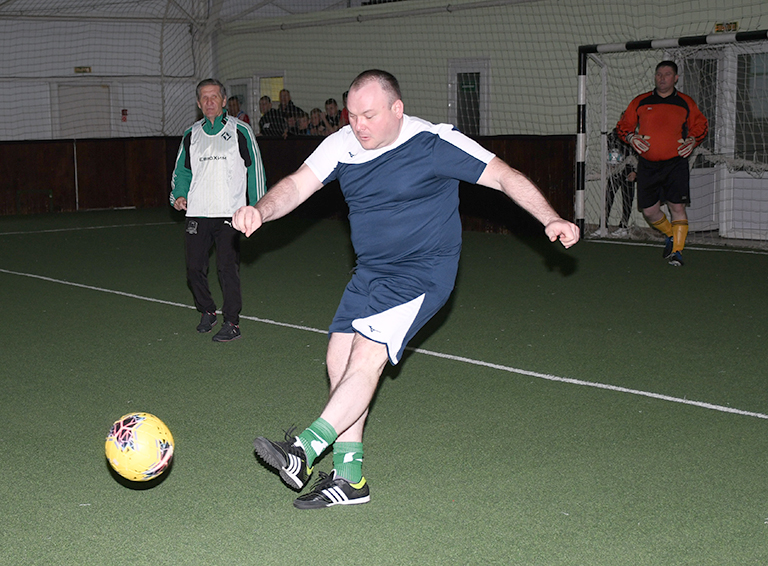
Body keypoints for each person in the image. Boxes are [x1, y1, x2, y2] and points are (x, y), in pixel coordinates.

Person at [232, 69, 579, 509]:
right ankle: (350, 479)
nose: (358, 125)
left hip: (421, 275)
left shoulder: (434, 143)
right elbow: (298, 185)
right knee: (338, 360)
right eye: (352, 115)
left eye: (369, 115)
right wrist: (260, 211)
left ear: (397, 110)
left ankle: (303, 449)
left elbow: (505, 176)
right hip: (370, 273)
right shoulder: (343, 144)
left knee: (365, 359)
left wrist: (549, 217)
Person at [170, 79, 267, 341]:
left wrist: (258, 208)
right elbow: (182, 171)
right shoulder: (191, 134)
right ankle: (208, 311)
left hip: (230, 214)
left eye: (215, 97)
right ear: (199, 104)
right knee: (193, 270)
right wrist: (179, 195)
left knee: (227, 269)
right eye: (205, 98)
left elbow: (254, 169)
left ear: (224, 101)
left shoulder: (241, 131)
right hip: (197, 213)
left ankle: (232, 322)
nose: (210, 102)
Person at [617, 60, 708, 266]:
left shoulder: (686, 102)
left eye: (667, 74)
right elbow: (623, 125)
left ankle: (677, 251)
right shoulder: (640, 101)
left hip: (676, 164)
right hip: (648, 165)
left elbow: (701, 125)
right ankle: (670, 235)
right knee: (649, 211)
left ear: (675, 78)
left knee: (677, 206)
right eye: (659, 74)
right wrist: (631, 137)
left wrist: (693, 139)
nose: (662, 77)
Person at [594, 128, 637, 237]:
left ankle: (623, 226)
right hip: (615, 171)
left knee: (627, 198)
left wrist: (636, 172)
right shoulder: (612, 136)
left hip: (629, 170)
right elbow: (608, 152)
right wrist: (609, 165)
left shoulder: (636, 137)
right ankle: (602, 226)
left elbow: (640, 156)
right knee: (608, 197)